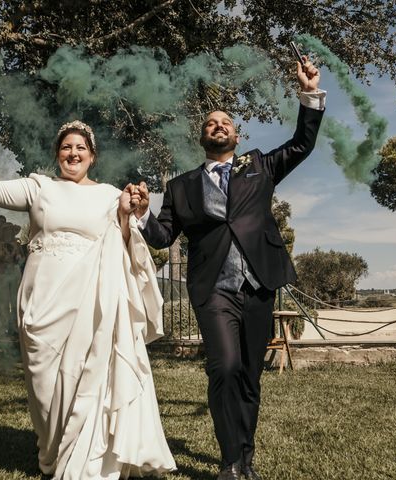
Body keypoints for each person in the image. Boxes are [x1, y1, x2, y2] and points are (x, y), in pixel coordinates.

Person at [0, 115, 176, 479]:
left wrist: (133, 213)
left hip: (91, 301)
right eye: (66, 147)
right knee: (45, 387)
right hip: (41, 300)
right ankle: (54, 453)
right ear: (57, 154)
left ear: (92, 156)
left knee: (88, 380)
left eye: (81, 147)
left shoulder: (111, 195)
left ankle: (88, 464)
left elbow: (128, 243)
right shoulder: (39, 188)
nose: (73, 152)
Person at [129, 57, 325, 480]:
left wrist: (309, 94)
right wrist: (144, 215)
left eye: (226, 121)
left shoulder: (259, 166)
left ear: (236, 135)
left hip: (258, 285)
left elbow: (302, 144)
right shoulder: (181, 186)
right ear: (201, 137)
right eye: (211, 122)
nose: (218, 125)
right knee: (224, 367)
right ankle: (229, 461)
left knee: (250, 376)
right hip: (213, 287)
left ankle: (246, 460)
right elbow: (163, 236)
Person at [0, 221, 23, 335]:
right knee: (3, 301)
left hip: (14, 271)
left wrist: (18, 257)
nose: (9, 232)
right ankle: (2, 328)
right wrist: (4, 255)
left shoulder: (17, 244)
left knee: (16, 301)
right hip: (2, 272)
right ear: (3, 232)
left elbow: (22, 259)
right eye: (6, 230)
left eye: (11, 230)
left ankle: (16, 328)